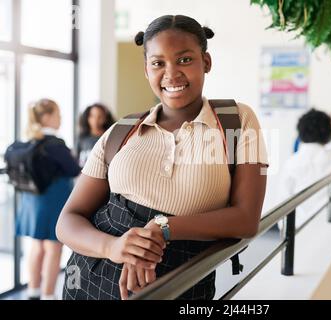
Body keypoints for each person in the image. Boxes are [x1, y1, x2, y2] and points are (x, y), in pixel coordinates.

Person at [56, 15, 269, 300]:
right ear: (146, 70)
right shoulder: (122, 130)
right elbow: (67, 221)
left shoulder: (236, 120)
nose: (171, 74)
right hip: (91, 277)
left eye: (184, 60)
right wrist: (114, 247)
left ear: (206, 62)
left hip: (181, 280)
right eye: (158, 63)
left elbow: (246, 219)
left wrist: (163, 228)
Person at [16, 99, 81, 300]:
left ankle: (33, 290)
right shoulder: (55, 144)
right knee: (54, 247)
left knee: (37, 245)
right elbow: (73, 170)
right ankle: (48, 295)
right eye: (57, 114)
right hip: (52, 200)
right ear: (46, 117)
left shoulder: (30, 141)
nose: (60, 118)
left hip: (32, 200)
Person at [77, 103, 115, 167]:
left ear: (105, 119)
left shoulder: (110, 138)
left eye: (100, 117)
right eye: (92, 116)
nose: (95, 120)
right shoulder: (82, 138)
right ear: (87, 118)